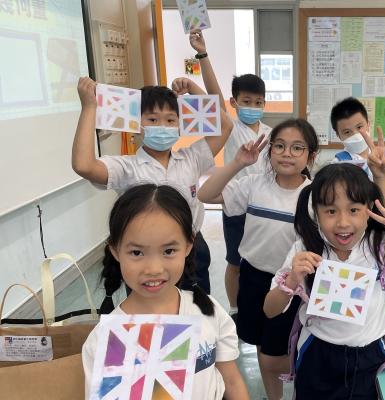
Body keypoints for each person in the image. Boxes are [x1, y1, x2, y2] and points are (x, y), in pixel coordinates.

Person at [262, 158, 385, 399]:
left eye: (354, 210)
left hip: (371, 356)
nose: (343, 222)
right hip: (318, 355)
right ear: (316, 213)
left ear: (369, 209)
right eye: (330, 211)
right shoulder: (306, 248)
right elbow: (270, 310)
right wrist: (292, 279)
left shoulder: (382, 245)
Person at [82, 184, 248, 400]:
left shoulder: (209, 311)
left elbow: (231, 380)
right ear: (115, 251)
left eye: (169, 251)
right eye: (137, 252)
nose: (154, 269)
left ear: (188, 246)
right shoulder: (102, 342)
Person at [72, 77, 232, 294]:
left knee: (195, 307)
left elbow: (226, 126)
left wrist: (193, 89)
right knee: (147, 309)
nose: (162, 126)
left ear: (180, 125)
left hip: (190, 247)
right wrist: (89, 107)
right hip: (144, 255)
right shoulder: (127, 167)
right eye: (153, 119)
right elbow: (83, 165)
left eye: (170, 120)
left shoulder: (192, 158)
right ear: (135, 124)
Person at [197, 118, 319, 400]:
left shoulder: (314, 196)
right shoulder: (254, 184)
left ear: (311, 156)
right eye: (280, 146)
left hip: (291, 284)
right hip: (253, 277)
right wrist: (237, 163)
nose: (287, 153)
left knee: (275, 353)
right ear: (270, 150)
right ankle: (274, 396)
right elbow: (205, 194)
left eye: (297, 148)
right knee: (261, 343)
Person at [187, 29, 272, 320]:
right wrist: (202, 53)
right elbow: (214, 96)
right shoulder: (231, 126)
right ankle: (236, 311)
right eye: (246, 101)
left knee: (262, 262)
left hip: (264, 206)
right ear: (234, 103)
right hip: (235, 205)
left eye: (258, 102)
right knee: (235, 262)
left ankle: (263, 305)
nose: (253, 107)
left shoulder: (271, 133)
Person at [329, 97, 385, 212]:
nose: (356, 134)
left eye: (359, 127)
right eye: (347, 132)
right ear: (338, 135)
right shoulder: (337, 164)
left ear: (368, 124)